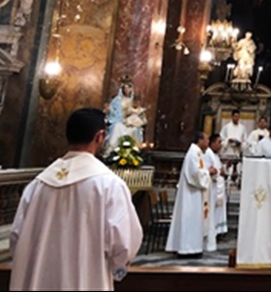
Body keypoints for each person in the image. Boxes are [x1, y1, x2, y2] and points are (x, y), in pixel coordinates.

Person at [9, 108, 142, 291]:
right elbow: (124, 245)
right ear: (100, 136)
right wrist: (116, 268)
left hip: (37, 280)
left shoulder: (37, 185)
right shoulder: (109, 185)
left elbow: (16, 238)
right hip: (86, 278)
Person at [166, 132, 217, 256]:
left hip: (194, 194)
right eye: (206, 140)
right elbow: (194, 174)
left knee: (193, 221)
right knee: (189, 220)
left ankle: (193, 247)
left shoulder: (197, 152)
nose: (208, 143)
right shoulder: (193, 153)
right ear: (200, 140)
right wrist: (208, 172)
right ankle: (188, 248)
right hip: (191, 195)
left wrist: (206, 172)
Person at [206, 134, 228, 238]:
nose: (221, 145)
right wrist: (220, 172)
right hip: (212, 188)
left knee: (217, 212)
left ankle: (216, 232)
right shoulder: (208, 154)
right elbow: (210, 171)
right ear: (212, 143)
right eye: (219, 142)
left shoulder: (215, 155)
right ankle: (211, 232)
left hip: (218, 187)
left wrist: (223, 170)